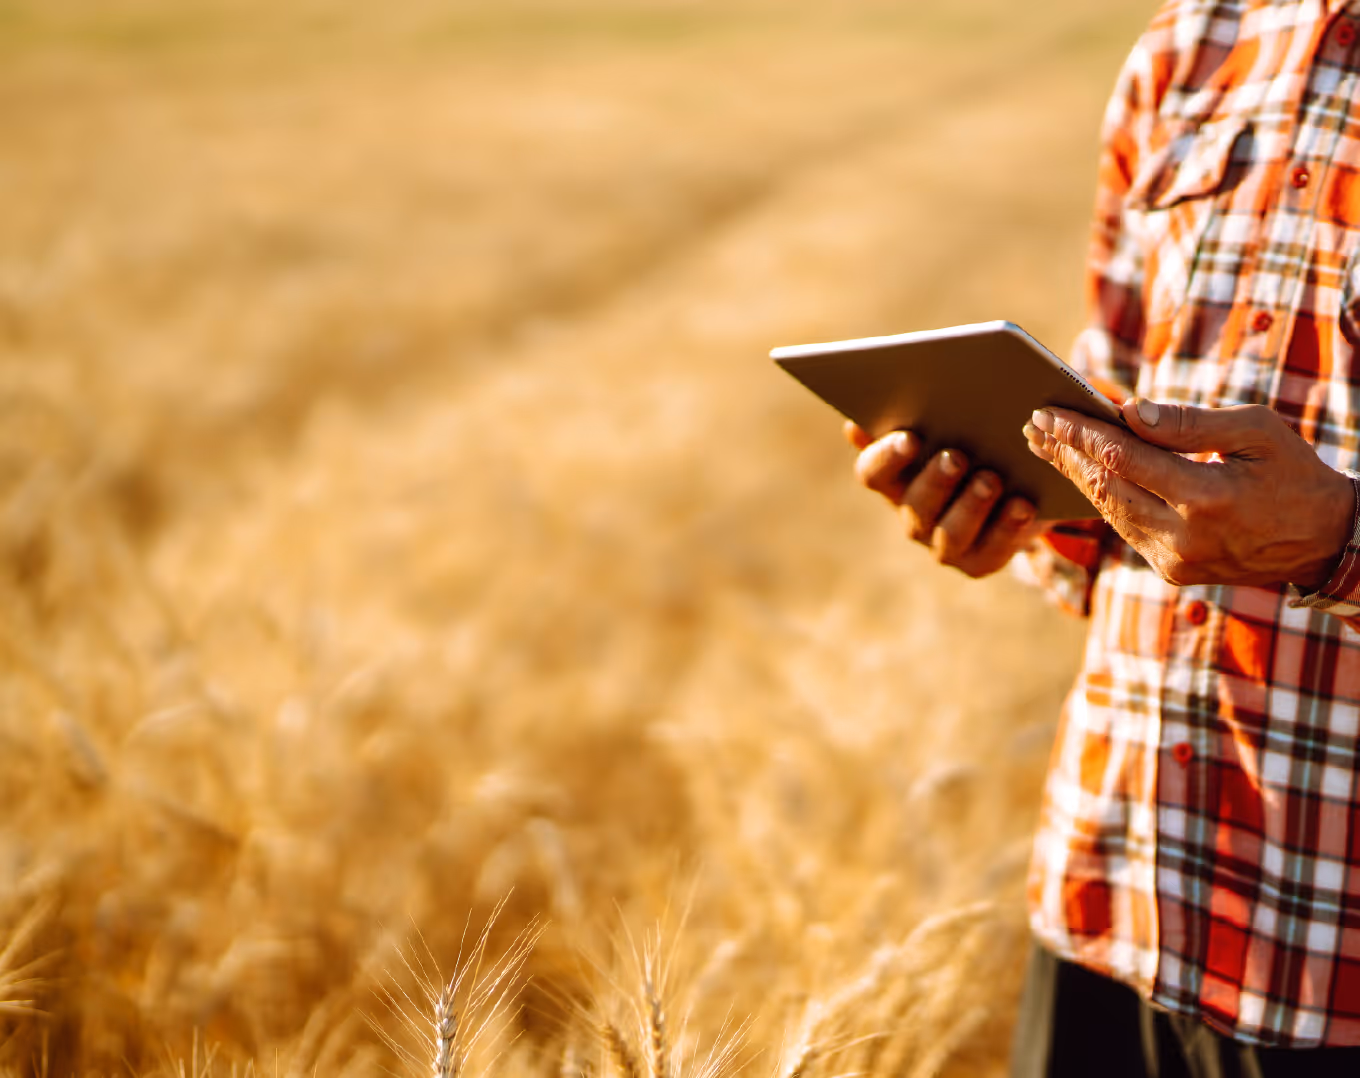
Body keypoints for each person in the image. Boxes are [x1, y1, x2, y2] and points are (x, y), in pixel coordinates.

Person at [848, 2, 1360, 1075]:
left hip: (1336, 964)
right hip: (1117, 887)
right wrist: (1017, 506)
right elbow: (1120, 412)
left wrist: (1341, 538)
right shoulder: (1193, 45)